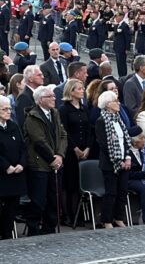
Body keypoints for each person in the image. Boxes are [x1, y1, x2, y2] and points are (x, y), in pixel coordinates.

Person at [23, 84, 67, 235]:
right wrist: (52, 158)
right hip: (39, 164)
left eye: (54, 96)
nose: (54, 99)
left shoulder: (55, 113)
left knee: (54, 199)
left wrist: (60, 155)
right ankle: (34, 230)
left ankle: (49, 228)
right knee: (38, 200)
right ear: (40, 99)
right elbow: (39, 141)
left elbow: (63, 135)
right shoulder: (33, 116)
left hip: (56, 163)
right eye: (50, 97)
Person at [95, 90, 131, 229]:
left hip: (124, 160)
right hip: (109, 163)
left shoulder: (118, 119)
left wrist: (127, 157)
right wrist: (117, 160)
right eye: (115, 101)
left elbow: (126, 140)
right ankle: (107, 219)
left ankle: (119, 217)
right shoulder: (101, 121)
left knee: (122, 191)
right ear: (107, 104)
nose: (118, 103)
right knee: (111, 192)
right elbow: (104, 144)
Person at [57, 78, 91, 226]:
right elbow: (64, 131)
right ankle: (69, 215)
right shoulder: (63, 109)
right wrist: (75, 148)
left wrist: (88, 147)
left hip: (85, 149)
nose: (82, 90)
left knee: (80, 184)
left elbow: (89, 129)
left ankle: (80, 215)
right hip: (71, 152)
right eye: (79, 88)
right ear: (71, 91)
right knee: (70, 185)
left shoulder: (84, 108)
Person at [0, 95, 26, 239]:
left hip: (16, 174)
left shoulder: (13, 125)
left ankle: (7, 234)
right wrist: (6, 166)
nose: (9, 111)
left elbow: (23, 147)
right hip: (2, 174)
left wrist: (21, 164)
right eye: (4, 109)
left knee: (12, 207)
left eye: (10, 108)